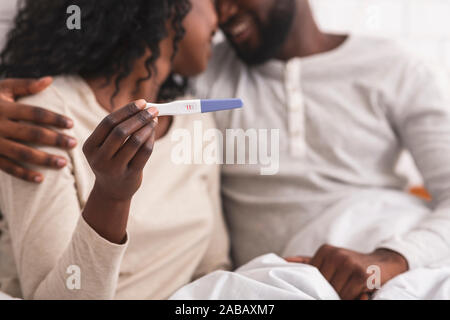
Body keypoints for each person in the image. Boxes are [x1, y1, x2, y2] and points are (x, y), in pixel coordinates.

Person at [2, 0, 450, 300]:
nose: (221, 10)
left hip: (383, 248)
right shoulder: (203, 78)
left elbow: (212, 273)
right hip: (283, 280)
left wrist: (391, 259)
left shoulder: (394, 67)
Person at [0, 0, 229, 300]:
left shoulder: (197, 122)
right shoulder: (44, 114)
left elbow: (214, 271)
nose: (222, 15)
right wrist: (111, 197)